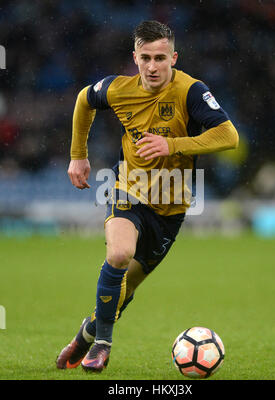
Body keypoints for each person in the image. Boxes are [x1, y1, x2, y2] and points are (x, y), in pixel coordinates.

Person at [56, 20, 239, 373]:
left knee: (124, 288)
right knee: (119, 253)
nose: (153, 67)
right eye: (145, 58)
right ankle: (104, 345)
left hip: (171, 207)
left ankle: (88, 334)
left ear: (174, 57)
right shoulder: (119, 89)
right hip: (129, 188)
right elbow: (84, 99)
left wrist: (173, 144)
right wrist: (78, 153)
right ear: (135, 58)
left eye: (160, 58)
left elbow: (228, 135)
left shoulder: (191, 91)